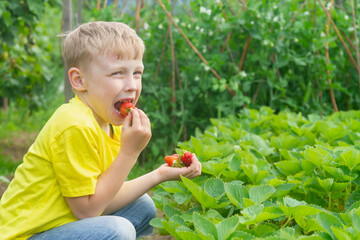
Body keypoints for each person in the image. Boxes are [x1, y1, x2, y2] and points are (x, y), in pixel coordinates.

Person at [0, 21, 202, 240]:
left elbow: (100, 198)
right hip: (24, 235)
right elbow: (86, 211)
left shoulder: (106, 123)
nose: (132, 85)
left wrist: (160, 174)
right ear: (79, 80)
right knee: (117, 231)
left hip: (60, 226)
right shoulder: (75, 125)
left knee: (142, 206)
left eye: (137, 73)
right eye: (117, 73)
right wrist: (130, 152)